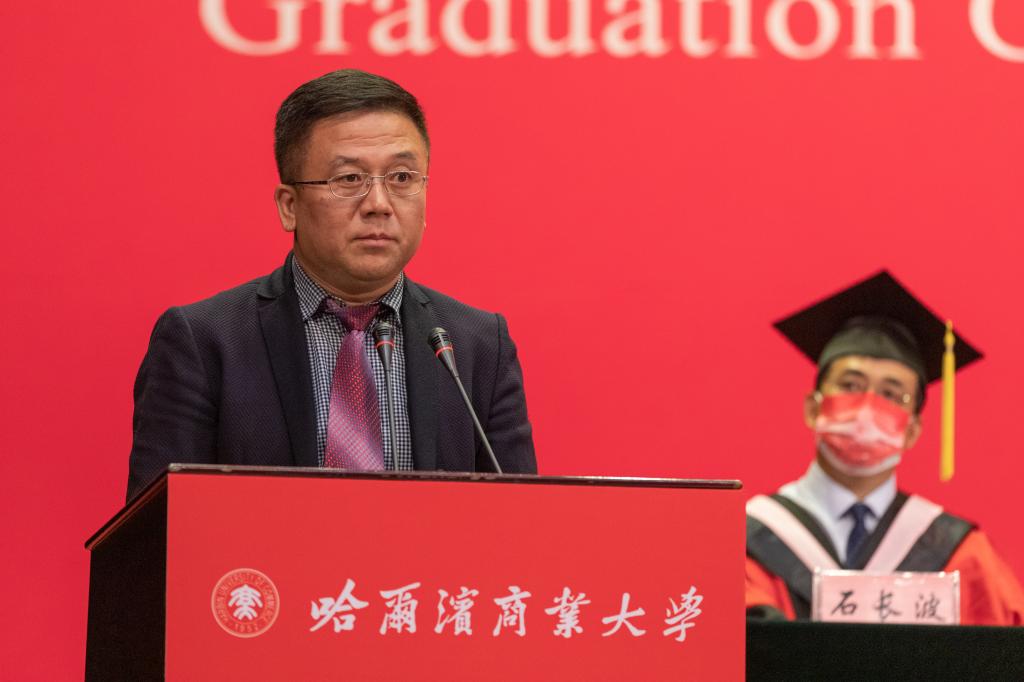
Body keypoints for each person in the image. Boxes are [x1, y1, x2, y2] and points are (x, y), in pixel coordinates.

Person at [127, 69, 536, 500]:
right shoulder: (206, 343)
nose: (378, 204)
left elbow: (522, 520)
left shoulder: (476, 346)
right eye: (349, 179)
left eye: (402, 177)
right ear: (289, 206)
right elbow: (162, 529)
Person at [746, 270, 1024, 625]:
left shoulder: (961, 553)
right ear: (813, 408)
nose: (868, 406)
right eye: (850, 385)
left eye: (892, 394)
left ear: (912, 430)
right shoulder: (750, 538)